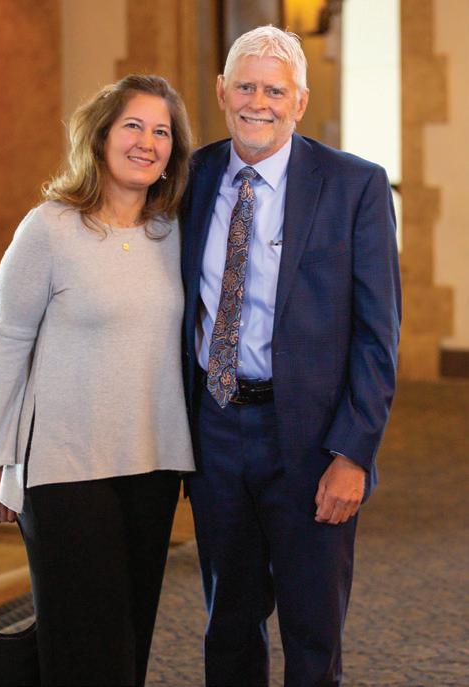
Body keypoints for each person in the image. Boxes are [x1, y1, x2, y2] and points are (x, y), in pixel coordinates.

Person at [180, 26, 401, 687]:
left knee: (312, 634)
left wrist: (353, 454)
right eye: (245, 87)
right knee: (228, 624)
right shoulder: (189, 178)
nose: (259, 103)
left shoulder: (355, 185)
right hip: (215, 430)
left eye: (275, 91)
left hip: (311, 441)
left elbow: (378, 335)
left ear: (300, 101)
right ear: (222, 91)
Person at [0, 74, 195, 686]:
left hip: (153, 464)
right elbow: (7, 344)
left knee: (130, 638)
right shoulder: (49, 228)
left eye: (162, 132)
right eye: (133, 126)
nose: (147, 142)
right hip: (64, 468)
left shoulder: (174, 232)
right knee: (82, 645)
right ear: (99, 137)